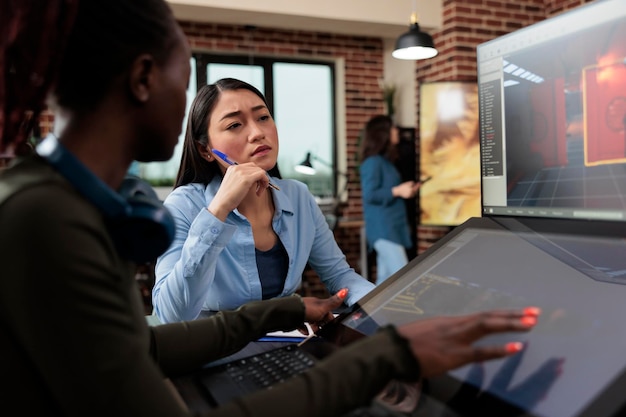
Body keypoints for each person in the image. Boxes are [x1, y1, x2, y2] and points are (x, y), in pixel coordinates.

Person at [0, 1, 541, 416]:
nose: (257, 132)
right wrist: (387, 355)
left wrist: (296, 310)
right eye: (184, 76)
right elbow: (168, 326)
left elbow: (146, 345)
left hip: (272, 344)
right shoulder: (47, 221)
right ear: (144, 78)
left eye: (263, 116)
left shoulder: (65, 204)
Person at [152, 78, 376, 323]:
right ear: (206, 150)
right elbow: (171, 317)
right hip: (211, 350)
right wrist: (218, 210)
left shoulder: (298, 196)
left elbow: (340, 275)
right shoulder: (185, 204)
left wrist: (385, 306)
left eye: (263, 118)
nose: (258, 133)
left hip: (281, 345)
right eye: (235, 125)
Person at [360, 115, 421, 284]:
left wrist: (405, 191)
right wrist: (398, 190)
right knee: (404, 280)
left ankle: (374, 311)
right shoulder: (373, 162)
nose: (397, 131)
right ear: (383, 133)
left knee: (385, 283)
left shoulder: (385, 162)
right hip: (384, 230)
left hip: (392, 228)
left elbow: (389, 191)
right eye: (394, 128)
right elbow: (370, 195)